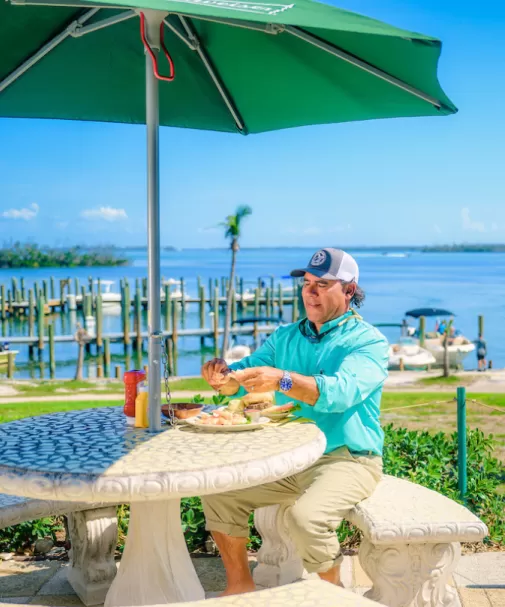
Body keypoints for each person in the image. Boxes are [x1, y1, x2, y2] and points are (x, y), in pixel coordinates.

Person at [201, 248, 389, 595]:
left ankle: (333, 596)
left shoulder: (369, 342)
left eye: (322, 284)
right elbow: (245, 376)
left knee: (305, 518)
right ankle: (239, 588)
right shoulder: (286, 336)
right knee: (219, 491)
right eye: (306, 283)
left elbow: (342, 393)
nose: (310, 291)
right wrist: (222, 376)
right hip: (288, 456)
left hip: (347, 458)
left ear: (349, 290)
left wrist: (283, 380)